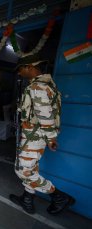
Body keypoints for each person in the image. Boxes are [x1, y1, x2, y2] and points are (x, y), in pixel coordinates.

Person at [10, 56, 75, 215]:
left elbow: (45, 115)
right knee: (32, 168)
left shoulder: (37, 87)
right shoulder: (48, 85)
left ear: (30, 67)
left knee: (23, 170)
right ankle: (27, 199)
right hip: (37, 135)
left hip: (34, 135)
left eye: (21, 69)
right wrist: (50, 137)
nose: (19, 73)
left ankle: (58, 196)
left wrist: (51, 137)